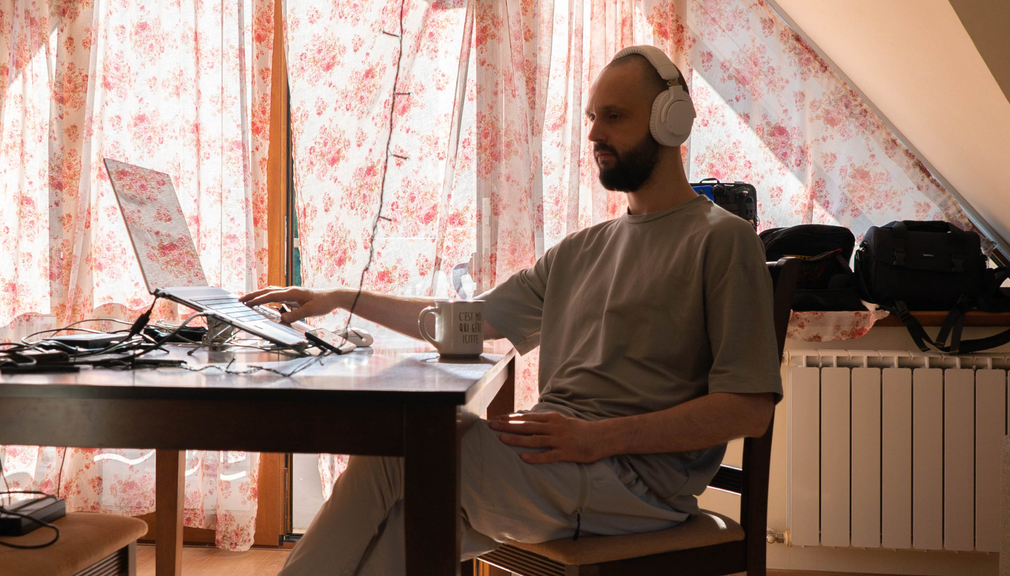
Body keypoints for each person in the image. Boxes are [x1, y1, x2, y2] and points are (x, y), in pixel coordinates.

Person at [242, 45, 782, 576]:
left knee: (395, 454)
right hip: (557, 462)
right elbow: (463, 320)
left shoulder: (723, 241)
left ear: (671, 122)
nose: (594, 133)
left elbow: (747, 409)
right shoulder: (580, 250)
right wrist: (341, 298)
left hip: (628, 484)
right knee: (406, 532)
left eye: (614, 117)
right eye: (592, 117)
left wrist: (599, 438)